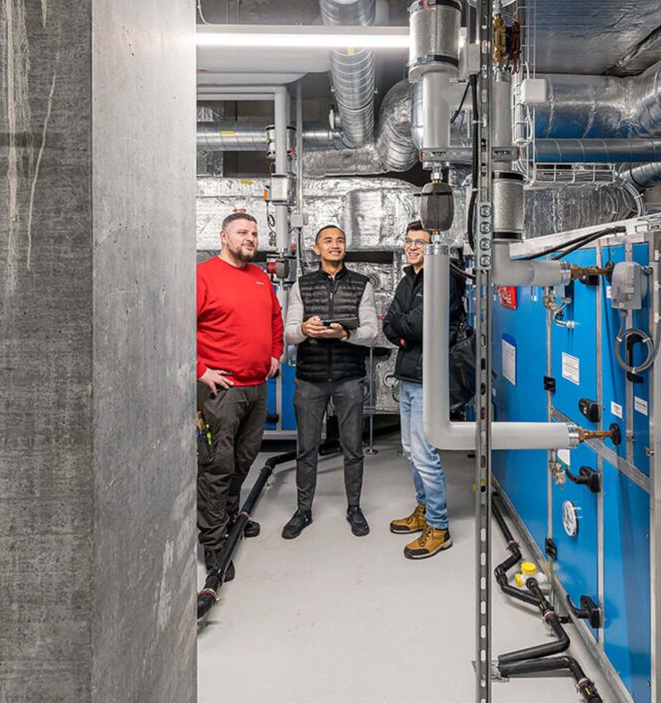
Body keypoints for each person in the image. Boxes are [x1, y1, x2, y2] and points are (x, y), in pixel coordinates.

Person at [196, 212, 282, 579]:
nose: (250, 238)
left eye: (254, 233)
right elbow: (174, 324)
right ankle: (214, 544)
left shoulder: (260, 278)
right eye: (242, 232)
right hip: (222, 392)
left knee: (244, 459)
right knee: (217, 467)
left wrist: (276, 354)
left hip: (257, 389)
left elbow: (275, 320)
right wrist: (200, 370)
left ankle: (230, 516)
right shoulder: (203, 276)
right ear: (223, 236)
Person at [281, 225, 378, 539]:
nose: (335, 245)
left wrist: (345, 334)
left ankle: (354, 508)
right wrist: (305, 329)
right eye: (328, 241)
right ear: (316, 249)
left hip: (349, 378)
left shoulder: (362, 284)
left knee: (353, 448)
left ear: (345, 248)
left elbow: (371, 332)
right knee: (306, 449)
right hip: (310, 379)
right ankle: (303, 510)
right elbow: (289, 332)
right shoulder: (302, 285)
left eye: (340, 240)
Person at [383, 221, 466, 560]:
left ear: (433, 247)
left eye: (420, 242)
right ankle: (423, 509)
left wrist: (404, 328)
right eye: (409, 241)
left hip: (429, 376)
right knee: (409, 449)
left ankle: (439, 525)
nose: (413, 247)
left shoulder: (443, 278)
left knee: (425, 455)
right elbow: (391, 323)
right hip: (408, 375)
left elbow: (416, 324)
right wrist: (404, 329)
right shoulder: (408, 280)